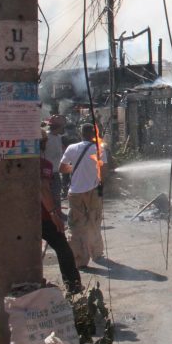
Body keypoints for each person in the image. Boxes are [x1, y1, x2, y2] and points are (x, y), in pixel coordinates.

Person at [59, 123, 106, 268]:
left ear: (81, 133)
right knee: (94, 221)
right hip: (93, 191)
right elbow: (104, 170)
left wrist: (75, 169)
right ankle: (96, 253)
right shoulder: (99, 149)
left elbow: (62, 168)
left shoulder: (72, 148)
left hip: (75, 192)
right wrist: (101, 185)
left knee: (77, 225)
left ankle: (79, 258)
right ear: (94, 134)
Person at [41, 131, 82, 294]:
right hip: (43, 217)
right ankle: (74, 286)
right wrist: (53, 214)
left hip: (22, 218)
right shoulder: (43, 164)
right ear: (43, 144)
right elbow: (43, 189)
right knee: (63, 248)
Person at [43, 115, 67, 219]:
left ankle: (58, 213)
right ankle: (53, 214)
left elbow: (61, 152)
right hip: (47, 173)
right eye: (62, 126)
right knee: (50, 195)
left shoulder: (58, 138)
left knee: (56, 194)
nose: (63, 128)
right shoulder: (45, 138)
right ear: (57, 127)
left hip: (56, 171)